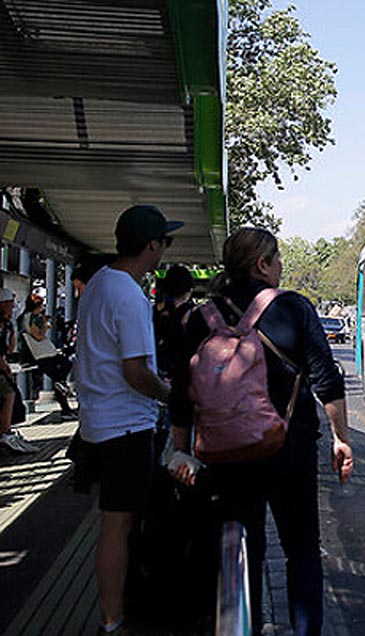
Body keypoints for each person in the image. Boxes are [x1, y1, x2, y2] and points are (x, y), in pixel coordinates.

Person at [169, 227, 353, 636]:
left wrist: (182, 454)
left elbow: (181, 395)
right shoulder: (293, 308)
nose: (281, 266)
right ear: (262, 263)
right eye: (278, 258)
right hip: (291, 449)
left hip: (224, 454)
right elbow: (326, 380)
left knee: (240, 548)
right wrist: (341, 438)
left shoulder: (201, 318)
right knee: (302, 550)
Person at [74, 204, 180, 635]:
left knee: (117, 521)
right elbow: (136, 372)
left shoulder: (100, 283)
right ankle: (113, 618)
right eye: (164, 243)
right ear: (152, 245)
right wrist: (171, 393)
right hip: (125, 427)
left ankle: (116, 610)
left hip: (99, 422)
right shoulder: (129, 295)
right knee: (117, 525)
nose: (165, 251)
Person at [18, 291, 76, 416]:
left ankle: (64, 403)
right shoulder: (30, 317)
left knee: (61, 372)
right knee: (60, 374)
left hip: (45, 352)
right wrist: (45, 325)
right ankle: (65, 407)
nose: (43, 308)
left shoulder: (28, 317)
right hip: (41, 353)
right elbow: (37, 335)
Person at [0, 288, 35, 453]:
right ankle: (5, 432)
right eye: (10, 304)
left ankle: (6, 431)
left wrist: (11, 330)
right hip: (1, 366)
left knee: (10, 394)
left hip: (2, 364)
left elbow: (9, 349)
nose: (12, 308)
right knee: (9, 394)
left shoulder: (6, 324)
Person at [153, 264, 194, 377]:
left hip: (155, 367)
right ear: (189, 289)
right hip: (181, 371)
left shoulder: (155, 310)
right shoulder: (191, 314)